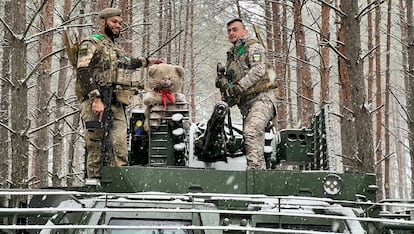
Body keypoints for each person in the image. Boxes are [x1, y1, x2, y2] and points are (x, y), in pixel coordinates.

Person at [76, 7, 162, 182]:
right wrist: (96, 98)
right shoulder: (91, 42)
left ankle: (117, 186)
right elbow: (82, 70)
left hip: (116, 102)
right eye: (114, 22)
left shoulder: (115, 47)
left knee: (120, 145)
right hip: (96, 102)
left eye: (120, 23)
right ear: (102, 22)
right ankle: (94, 187)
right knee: (96, 147)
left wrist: (147, 62)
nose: (118, 26)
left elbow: (128, 62)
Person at [216, 18, 277, 170]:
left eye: (235, 29)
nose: (231, 33)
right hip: (246, 105)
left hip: (262, 99)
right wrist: (226, 88)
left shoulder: (253, 47)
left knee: (252, 132)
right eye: (229, 30)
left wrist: (237, 87)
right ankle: (256, 172)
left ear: (244, 31)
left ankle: (256, 176)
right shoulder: (232, 55)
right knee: (249, 138)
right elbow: (233, 84)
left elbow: (258, 70)